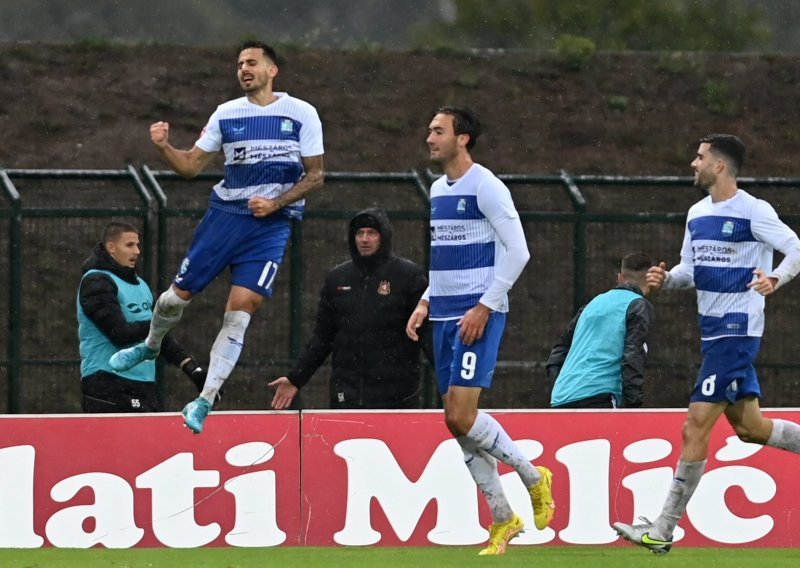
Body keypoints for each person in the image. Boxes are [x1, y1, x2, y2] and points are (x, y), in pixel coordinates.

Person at [108, 40, 324, 433]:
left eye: (252, 63)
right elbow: (190, 165)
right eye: (240, 63)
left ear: (271, 70)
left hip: (271, 227)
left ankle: (204, 400)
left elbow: (316, 175)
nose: (244, 68)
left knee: (240, 314)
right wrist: (163, 147)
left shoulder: (301, 113)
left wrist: (276, 205)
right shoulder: (227, 113)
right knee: (177, 297)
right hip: (226, 217)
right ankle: (150, 345)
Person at [613, 134, 800, 554]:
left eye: (699, 157)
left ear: (719, 166)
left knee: (694, 424)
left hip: (737, 332)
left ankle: (663, 529)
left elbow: (796, 249)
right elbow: (689, 271)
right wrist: (663, 280)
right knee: (752, 429)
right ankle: (662, 529)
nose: (692, 163)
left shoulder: (754, 211)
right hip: (712, 332)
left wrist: (776, 278)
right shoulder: (697, 214)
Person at [405, 106, 554, 556]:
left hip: (476, 315)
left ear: (463, 138)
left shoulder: (487, 187)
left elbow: (519, 251)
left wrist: (485, 306)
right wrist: (426, 300)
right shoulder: (436, 189)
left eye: (438, 131)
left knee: (461, 416)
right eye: (429, 129)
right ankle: (503, 519)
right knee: (456, 423)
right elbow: (446, 255)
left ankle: (534, 476)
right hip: (443, 314)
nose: (429, 137)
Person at [269, 208, 434, 409]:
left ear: (384, 236)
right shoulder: (337, 279)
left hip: (397, 397)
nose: (365, 239)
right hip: (347, 395)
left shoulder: (408, 277)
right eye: (359, 233)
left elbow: (428, 335)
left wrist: (449, 381)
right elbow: (322, 337)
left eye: (372, 233)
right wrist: (296, 378)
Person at [77, 221, 206, 412]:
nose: (137, 251)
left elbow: (157, 335)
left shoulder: (141, 285)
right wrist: (159, 323)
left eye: (137, 245)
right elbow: (119, 333)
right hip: (106, 381)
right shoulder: (96, 281)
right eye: (129, 245)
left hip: (144, 384)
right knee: (114, 442)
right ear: (111, 248)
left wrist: (193, 370)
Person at [546, 252, 655, 409]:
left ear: (620, 278)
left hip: (562, 397)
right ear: (649, 280)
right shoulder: (638, 305)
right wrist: (634, 404)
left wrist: (561, 386)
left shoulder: (591, 304)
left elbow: (558, 352)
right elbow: (633, 355)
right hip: (599, 396)